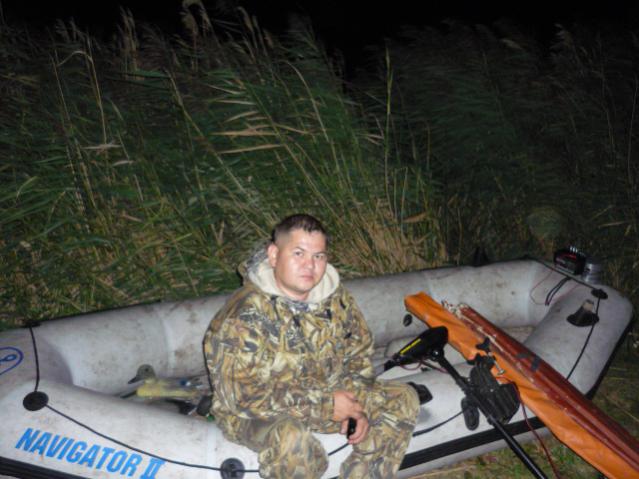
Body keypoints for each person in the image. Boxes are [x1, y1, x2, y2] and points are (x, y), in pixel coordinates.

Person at [203, 214, 420, 479]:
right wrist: (327, 406)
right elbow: (243, 397)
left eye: (319, 256)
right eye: (299, 253)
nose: (310, 265)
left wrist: (354, 407)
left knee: (402, 398)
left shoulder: (336, 299)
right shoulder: (243, 316)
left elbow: (359, 355)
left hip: (324, 393)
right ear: (274, 255)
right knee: (291, 438)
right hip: (257, 413)